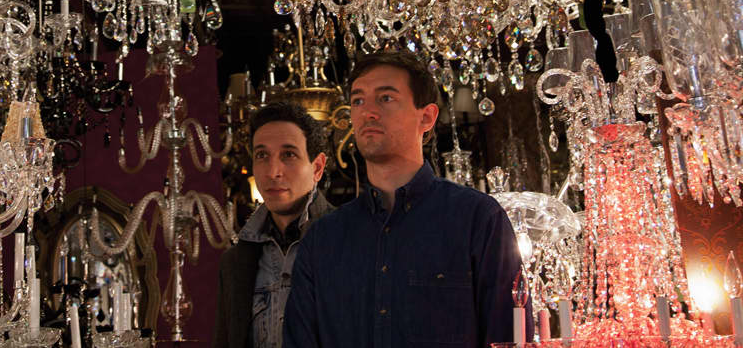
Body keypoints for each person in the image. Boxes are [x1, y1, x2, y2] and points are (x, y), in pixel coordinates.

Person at [283, 51, 528, 348]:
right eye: (358, 100)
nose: (367, 112)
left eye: (385, 98)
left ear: (427, 117)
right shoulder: (322, 240)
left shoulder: (478, 220)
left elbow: (511, 337)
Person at [214, 101, 334, 348]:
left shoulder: (351, 239)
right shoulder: (234, 262)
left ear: (317, 168)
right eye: (262, 156)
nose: (273, 172)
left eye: (288, 155)